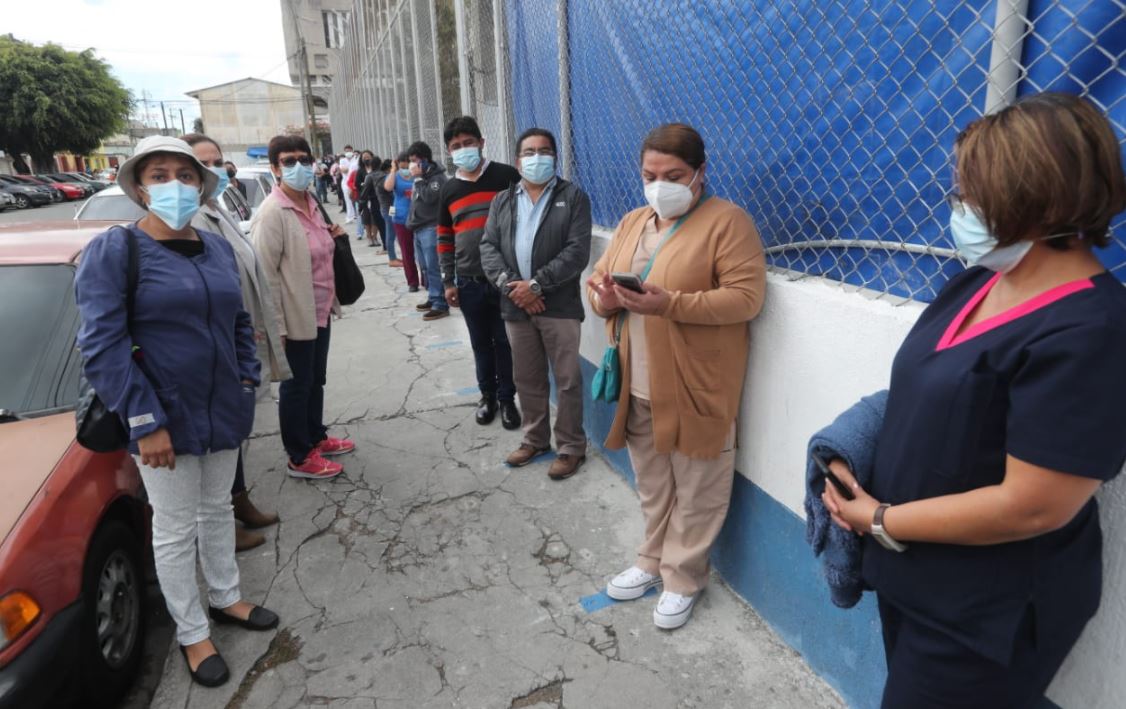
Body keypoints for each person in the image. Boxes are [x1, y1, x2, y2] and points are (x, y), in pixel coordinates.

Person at [820, 93, 1126, 709]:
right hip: (915, 576)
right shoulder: (980, 281)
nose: (955, 206)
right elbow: (928, 391)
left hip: (987, 613)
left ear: (1029, 194)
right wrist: (853, 453)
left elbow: (1032, 507)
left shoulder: (1093, 331)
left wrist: (878, 520)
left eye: (967, 193)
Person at [75, 135, 280, 688]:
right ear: (140, 188)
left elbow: (238, 319)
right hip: (161, 419)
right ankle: (191, 632)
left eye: (185, 176)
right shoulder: (117, 251)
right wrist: (145, 423)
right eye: (159, 174)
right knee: (171, 527)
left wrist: (244, 377)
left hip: (222, 410)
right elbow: (102, 346)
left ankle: (226, 598)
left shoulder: (213, 247)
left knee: (216, 509)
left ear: (201, 185)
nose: (174, 185)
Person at [587, 123, 766, 630]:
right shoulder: (632, 222)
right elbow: (597, 279)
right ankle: (650, 560)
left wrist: (672, 305)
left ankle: (683, 577)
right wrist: (601, 297)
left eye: (674, 174)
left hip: (696, 381)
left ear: (701, 173)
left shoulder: (728, 223)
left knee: (699, 484)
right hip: (637, 378)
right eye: (649, 174)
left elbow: (746, 297)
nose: (659, 184)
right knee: (652, 479)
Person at [184, 133, 291, 552]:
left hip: (240, 337)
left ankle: (239, 500)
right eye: (201, 164)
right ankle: (222, 522)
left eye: (217, 161)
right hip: (216, 346)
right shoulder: (189, 220)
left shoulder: (217, 207)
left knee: (235, 431)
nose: (214, 170)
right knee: (222, 436)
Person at [480, 128, 592, 480]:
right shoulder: (502, 201)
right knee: (527, 378)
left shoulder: (573, 197)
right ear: (518, 160)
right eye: (529, 152)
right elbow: (488, 248)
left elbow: (576, 251)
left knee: (568, 379)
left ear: (555, 157)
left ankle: (571, 447)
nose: (537, 157)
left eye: (544, 151)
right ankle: (535, 440)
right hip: (515, 306)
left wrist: (536, 285)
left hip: (557, 306)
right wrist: (514, 289)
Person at [251, 134, 357, 480]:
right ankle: (299, 455)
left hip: (321, 309)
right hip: (294, 317)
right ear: (275, 168)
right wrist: (276, 326)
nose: (298, 167)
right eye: (288, 161)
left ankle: (315, 436)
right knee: (297, 386)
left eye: (304, 159)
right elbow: (265, 275)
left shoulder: (311, 202)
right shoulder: (273, 213)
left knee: (315, 380)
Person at [437, 116, 522, 428]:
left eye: (468, 143)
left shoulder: (507, 177)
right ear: (449, 151)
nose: (463, 149)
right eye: (456, 146)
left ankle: (507, 399)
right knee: (480, 343)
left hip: (504, 281)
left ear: (481, 143)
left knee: (504, 341)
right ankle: (486, 396)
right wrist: (447, 281)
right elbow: (445, 237)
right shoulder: (449, 190)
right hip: (469, 282)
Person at [405, 140, 450, 320]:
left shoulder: (436, 178)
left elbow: (430, 198)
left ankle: (440, 303)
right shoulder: (421, 179)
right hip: (419, 228)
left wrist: (418, 179)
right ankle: (433, 297)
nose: (412, 164)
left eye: (415, 160)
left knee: (433, 267)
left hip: (431, 228)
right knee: (424, 267)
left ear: (424, 160)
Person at [384, 152, 422, 290]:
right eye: (402, 162)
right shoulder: (395, 175)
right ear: (398, 162)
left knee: (423, 251)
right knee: (407, 252)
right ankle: (412, 282)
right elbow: (387, 187)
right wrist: (393, 170)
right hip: (400, 217)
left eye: (408, 161)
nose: (405, 164)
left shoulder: (417, 174)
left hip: (419, 217)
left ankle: (426, 280)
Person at [369, 157, 400, 264]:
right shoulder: (384, 179)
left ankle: (393, 257)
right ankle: (392, 258)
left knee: (392, 232)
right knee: (390, 233)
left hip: (388, 208)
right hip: (389, 209)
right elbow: (391, 191)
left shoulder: (381, 177)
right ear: (389, 169)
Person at [340, 145, 358, 223]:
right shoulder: (342, 160)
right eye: (346, 151)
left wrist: (349, 168)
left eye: (349, 151)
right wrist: (352, 167)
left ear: (352, 151)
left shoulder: (356, 159)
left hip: (355, 182)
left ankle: (358, 215)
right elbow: (344, 170)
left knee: (357, 199)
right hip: (345, 183)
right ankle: (350, 216)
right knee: (348, 200)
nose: (348, 152)